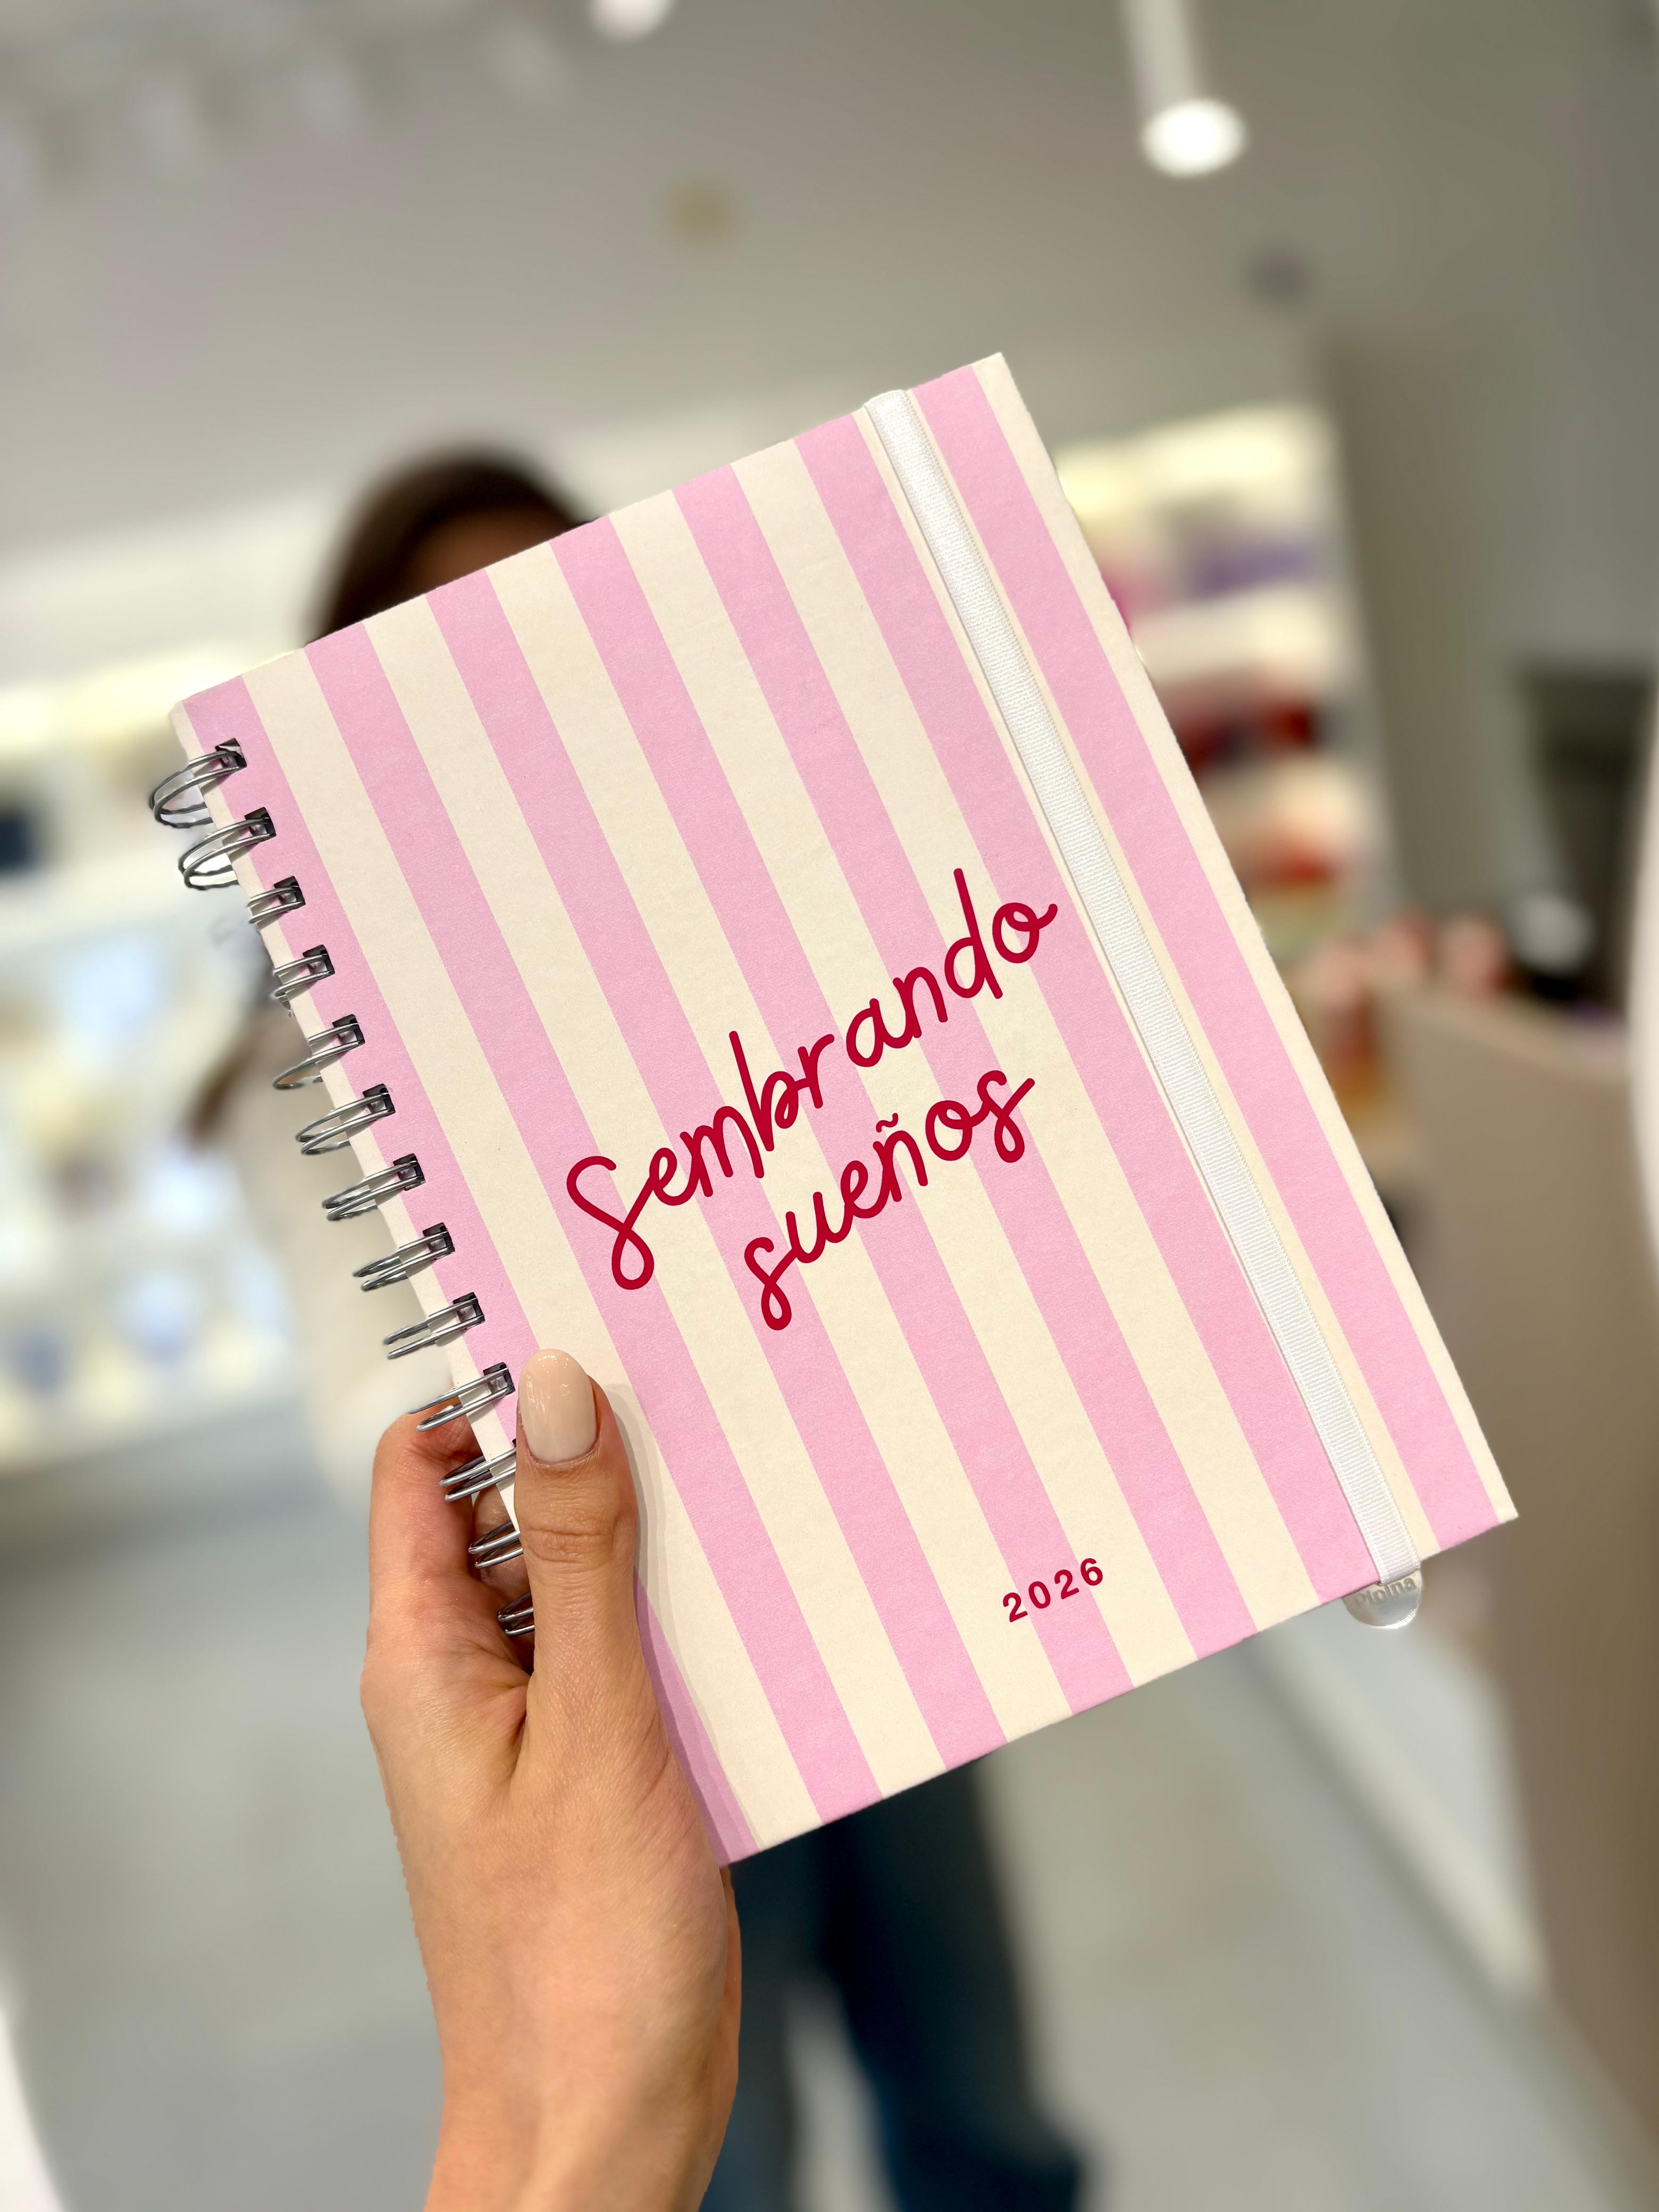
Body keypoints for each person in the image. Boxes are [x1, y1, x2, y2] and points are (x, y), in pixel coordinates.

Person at [222, 453, 1083, 2209]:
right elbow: (363, 1407)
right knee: (704, 2162)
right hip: (616, 1700)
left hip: (884, 1600)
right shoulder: (316, 1066)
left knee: (980, 2115)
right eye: (449, 645)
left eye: (548, 620)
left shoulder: (739, 931)